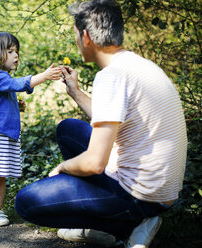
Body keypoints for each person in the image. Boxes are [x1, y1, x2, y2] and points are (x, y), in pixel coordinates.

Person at [14, 0, 187, 247]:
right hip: (163, 191)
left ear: (85, 36)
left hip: (140, 196)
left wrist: (63, 168)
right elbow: (117, 118)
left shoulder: (110, 76)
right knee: (68, 129)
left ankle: (123, 225)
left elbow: (95, 163)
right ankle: (121, 217)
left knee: (26, 201)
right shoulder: (136, 65)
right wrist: (75, 92)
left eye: (75, 34)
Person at [0, 32, 62, 230]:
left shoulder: (2, 80)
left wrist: (15, 106)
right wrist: (44, 76)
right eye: (10, 51)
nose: (16, 56)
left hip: (5, 136)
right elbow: (18, 84)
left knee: (0, 176)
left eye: (16, 52)